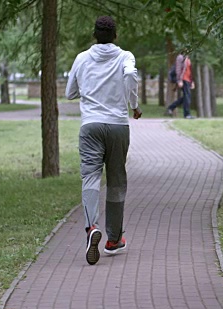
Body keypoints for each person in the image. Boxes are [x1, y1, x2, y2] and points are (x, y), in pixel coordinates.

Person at [65, 15, 141, 265]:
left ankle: (90, 228)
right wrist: (134, 105)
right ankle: (114, 240)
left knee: (90, 177)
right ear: (115, 35)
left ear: (94, 35)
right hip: (118, 125)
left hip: (91, 126)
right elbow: (130, 75)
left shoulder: (82, 58)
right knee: (117, 181)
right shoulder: (125, 56)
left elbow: (70, 93)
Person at [165, 51, 195, 119]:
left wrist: (192, 81)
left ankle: (171, 107)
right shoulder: (180, 57)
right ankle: (187, 114)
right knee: (187, 97)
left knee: (186, 97)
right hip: (183, 79)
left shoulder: (188, 58)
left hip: (188, 80)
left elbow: (190, 71)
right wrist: (179, 80)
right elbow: (178, 70)